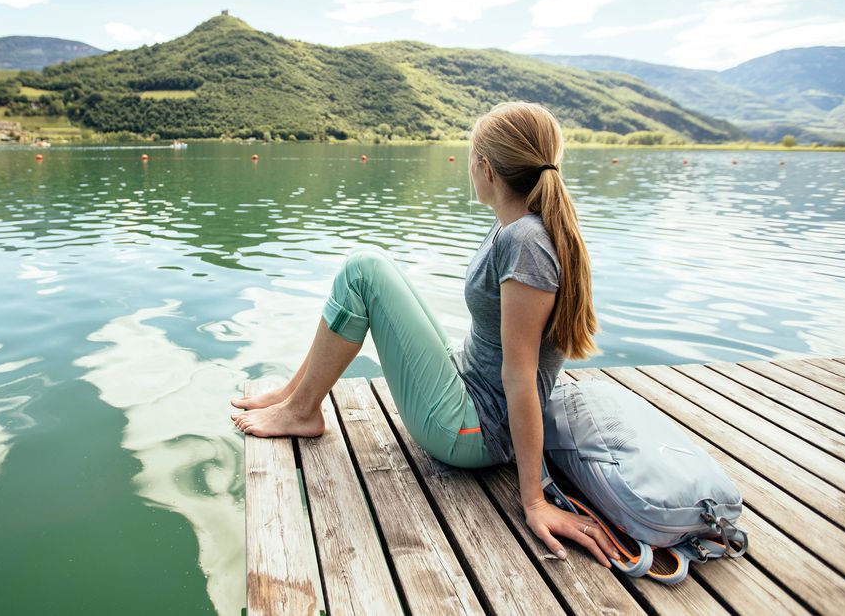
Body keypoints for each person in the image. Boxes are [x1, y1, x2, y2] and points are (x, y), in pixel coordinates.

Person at [230, 101, 619, 568]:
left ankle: (301, 410)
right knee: (377, 269)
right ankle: (296, 395)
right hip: (469, 387)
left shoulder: (527, 243)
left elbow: (521, 377)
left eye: (471, 158)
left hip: (473, 429)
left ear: (485, 167)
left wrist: (534, 499)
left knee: (364, 270)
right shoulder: (512, 226)